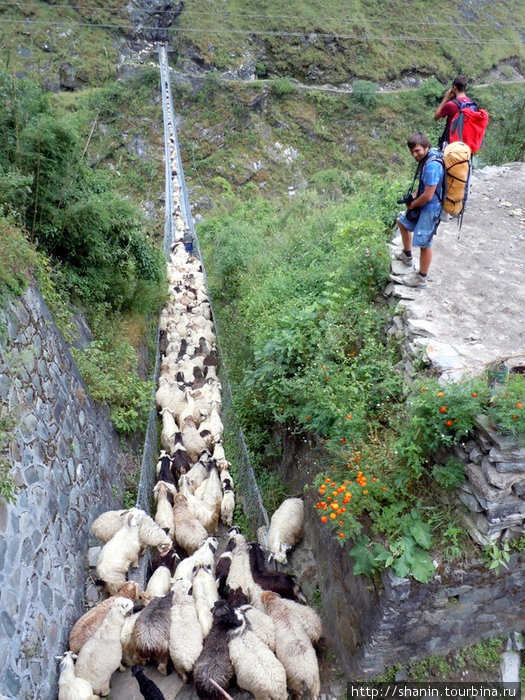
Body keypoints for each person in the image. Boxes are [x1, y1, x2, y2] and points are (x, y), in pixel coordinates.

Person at [394, 132, 444, 289]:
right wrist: (413, 197)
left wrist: (413, 204)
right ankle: (407, 255)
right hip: (423, 203)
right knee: (402, 223)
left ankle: (421, 277)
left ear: (426, 147)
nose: (415, 154)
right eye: (412, 151)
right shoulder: (427, 157)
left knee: (424, 243)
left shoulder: (432, 166)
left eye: (418, 150)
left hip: (430, 208)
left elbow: (428, 195)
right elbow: (423, 187)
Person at [434, 75, 471, 148]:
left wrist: (445, 98)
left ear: (454, 87)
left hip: (452, 143)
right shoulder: (471, 103)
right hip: (466, 143)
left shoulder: (451, 105)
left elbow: (436, 117)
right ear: (465, 87)